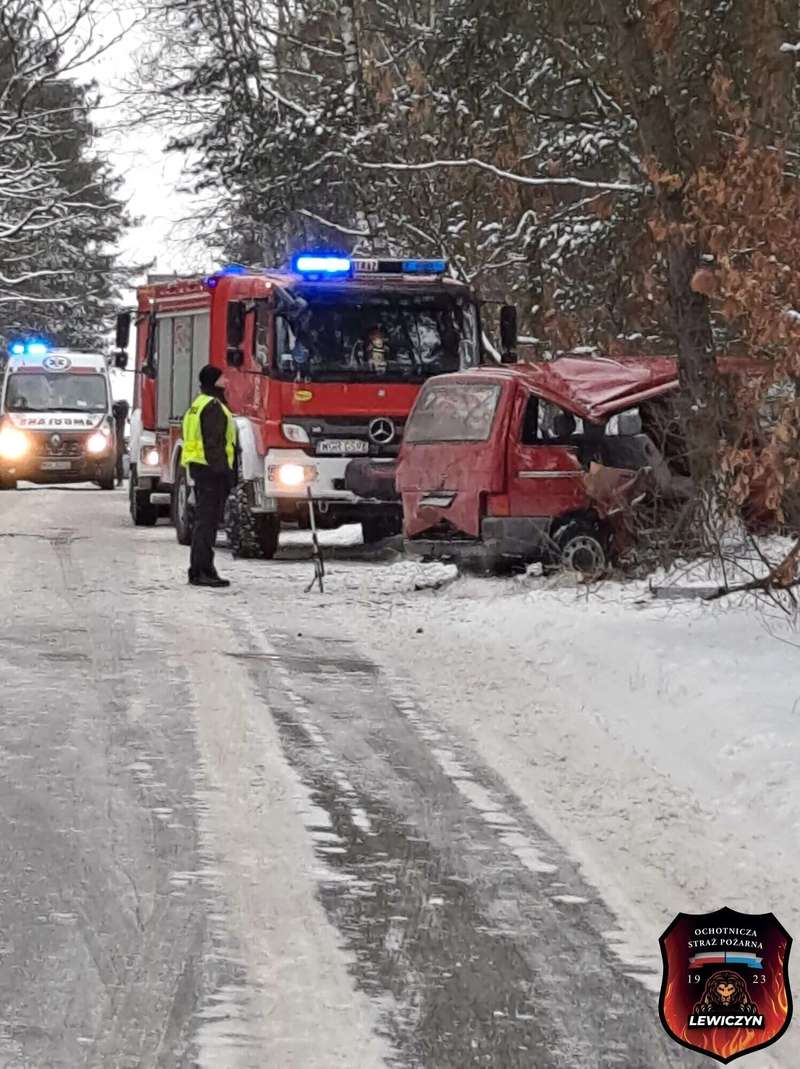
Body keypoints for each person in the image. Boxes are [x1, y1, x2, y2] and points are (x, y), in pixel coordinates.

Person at [182, 365, 236, 588]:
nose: (226, 381)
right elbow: (214, 444)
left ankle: (203, 568)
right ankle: (201, 570)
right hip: (211, 471)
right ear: (214, 381)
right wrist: (225, 474)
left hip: (200, 468)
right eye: (222, 378)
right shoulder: (213, 406)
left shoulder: (198, 404)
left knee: (204, 521)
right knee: (207, 522)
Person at [112, 399, 130, 486]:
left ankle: (119, 480)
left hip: (117, 440)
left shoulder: (118, 417)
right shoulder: (121, 417)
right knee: (118, 459)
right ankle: (120, 480)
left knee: (118, 459)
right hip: (118, 440)